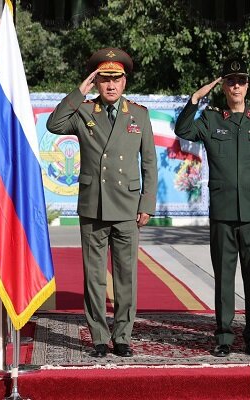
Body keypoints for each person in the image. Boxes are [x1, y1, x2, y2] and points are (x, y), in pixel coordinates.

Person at [46, 47, 157, 358]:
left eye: (116, 79)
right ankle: (98, 335)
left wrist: (146, 203)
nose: (110, 85)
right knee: (94, 276)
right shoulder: (83, 111)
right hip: (94, 205)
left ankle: (122, 336)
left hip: (126, 206)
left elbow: (149, 162)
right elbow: (54, 124)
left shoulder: (139, 115)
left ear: (125, 82)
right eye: (104, 79)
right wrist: (76, 93)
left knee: (126, 276)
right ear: (95, 83)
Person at [174, 57, 250, 357]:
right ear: (223, 85)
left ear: (247, 85)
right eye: (230, 81)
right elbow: (183, 130)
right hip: (222, 212)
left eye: (241, 81)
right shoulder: (210, 119)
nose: (236, 86)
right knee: (223, 277)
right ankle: (223, 336)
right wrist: (195, 99)